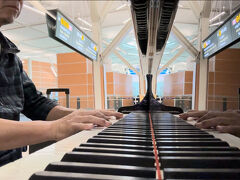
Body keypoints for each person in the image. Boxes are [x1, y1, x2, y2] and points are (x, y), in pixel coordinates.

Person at [0, 0, 123, 166]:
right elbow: (53, 124)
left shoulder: (10, 56)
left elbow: (36, 104)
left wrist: (81, 115)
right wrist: (55, 128)